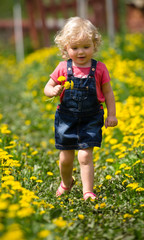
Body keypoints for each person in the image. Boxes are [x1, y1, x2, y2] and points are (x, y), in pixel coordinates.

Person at [44, 17, 118, 200]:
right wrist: (52, 90)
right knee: (65, 158)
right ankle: (66, 183)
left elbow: (108, 93)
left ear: (94, 45)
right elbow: (47, 88)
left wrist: (112, 115)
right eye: (75, 48)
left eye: (86, 46)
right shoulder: (62, 68)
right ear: (66, 48)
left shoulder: (99, 68)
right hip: (66, 119)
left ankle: (88, 191)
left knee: (85, 156)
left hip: (91, 118)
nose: (81, 52)